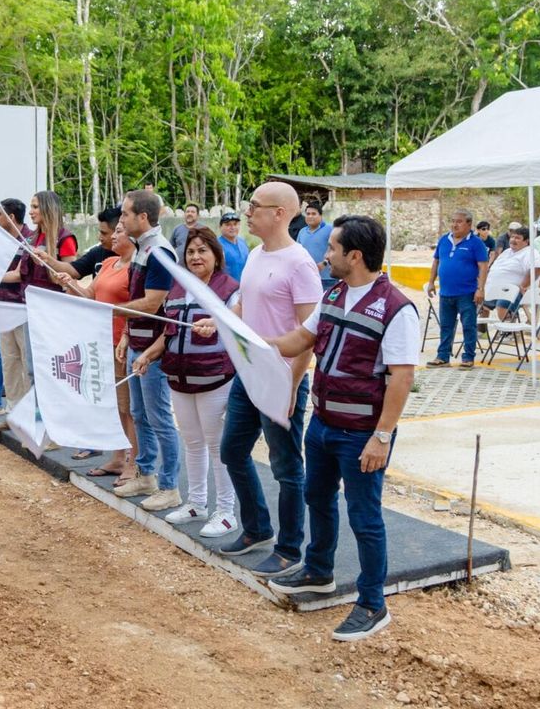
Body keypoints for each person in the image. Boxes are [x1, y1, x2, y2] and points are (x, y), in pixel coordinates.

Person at [265, 215, 419, 642]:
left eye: (331, 248)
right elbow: (299, 339)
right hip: (323, 425)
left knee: (365, 517)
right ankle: (318, 571)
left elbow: (402, 378)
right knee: (318, 498)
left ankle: (373, 603)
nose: (325, 254)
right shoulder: (333, 293)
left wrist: (382, 436)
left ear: (354, 255)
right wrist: (247, 336)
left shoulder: (395, 308)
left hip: (361, 434)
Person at [195, 181, 320, 578]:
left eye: (254, 206)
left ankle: (288, 548)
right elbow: (245, 304)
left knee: (286, 467)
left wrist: (292, 386)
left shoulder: (299, 263)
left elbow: (309, 334)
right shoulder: (254, 255)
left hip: (280, 380)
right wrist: (219, 321)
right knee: (232, 451)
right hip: (247, 377)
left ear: (279, 213)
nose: (246, 213)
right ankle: (257, 528)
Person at [131, 227, 239, 537]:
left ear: (215, 255)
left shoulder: (230, 288)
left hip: (214, 379)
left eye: (202, 251)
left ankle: (226, 511)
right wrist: (148, 355)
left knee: (217, 447)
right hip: (179, 379)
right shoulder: (178, 289)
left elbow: (238, 325)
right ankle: (196, 502)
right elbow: (169, 333)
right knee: (192, 443)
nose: (195, 257)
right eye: (191, 252)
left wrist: (216, 323)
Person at [112, 190, 183, 512]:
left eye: (125, 214)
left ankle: (169, 486)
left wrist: (109, 310)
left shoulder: (160, 252)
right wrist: (127, 334)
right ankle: (146, 474)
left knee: (159, 417)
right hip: (137, 343)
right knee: (140, 414)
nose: (121, 220)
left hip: (154, 350)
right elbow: (137, 297)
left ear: (143, 218)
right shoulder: (143, 248)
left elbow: (152, 303)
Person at [56, 221, 139, 485]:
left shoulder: (136, 268)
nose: (112, 236)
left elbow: (140, 306)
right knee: (114, 405)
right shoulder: (107, 264)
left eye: (118, 232)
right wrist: (70, 283)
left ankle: (133, 463)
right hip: (100, 342)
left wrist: (125, 337)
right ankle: (117, 457)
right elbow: (89, 296)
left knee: (129, 408)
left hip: (121, 344)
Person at [426, 209, 488, 369]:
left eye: (459, 221)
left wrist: (480, 289)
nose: (454, 224)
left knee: (468, 325)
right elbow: (436, 262)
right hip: (446, 292)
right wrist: (431, 281)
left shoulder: (476, 243)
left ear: (469, 224)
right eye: (453, 221)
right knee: (446, 326)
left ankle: (468, 357)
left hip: (467, 293)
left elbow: (483, 267)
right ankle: (443, 357)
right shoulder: (444, 240)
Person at [0, 199, 32, 415]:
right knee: (9, 362)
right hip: (4, 306)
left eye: (0, 214)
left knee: (27, 363)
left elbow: (19, 274)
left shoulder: (29, 241)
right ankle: (13, 412)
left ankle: (28, 414)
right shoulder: (1, 240)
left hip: (22, 308)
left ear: (12, 218)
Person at [17, 191, 78, 295]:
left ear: (48, 209)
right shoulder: (31, 237)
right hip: (29, 300)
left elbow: (72, 280)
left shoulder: (65, 238)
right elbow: (18, 274)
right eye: (31, 207)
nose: (30, 212)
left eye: (35, 207)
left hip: (52, 303)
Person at [39, 205, 119, 280]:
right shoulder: (97, 252)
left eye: (104, 233)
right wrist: (48, 259)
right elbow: (73, 270)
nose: (99, 237)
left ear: (119, 231)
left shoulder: (130, 260)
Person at [482, 224, 540, 320]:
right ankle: (481, 332)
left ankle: (510, 332)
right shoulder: (507, 252)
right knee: (475, 299)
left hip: (514, 291)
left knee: (503, 304)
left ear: (527, 241)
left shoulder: (529, 252)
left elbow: (537, 268)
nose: (513, 240)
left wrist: (524, 285)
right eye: (512, 237)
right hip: (493, 289)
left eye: (517, 238)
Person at [296, 201, 335, 291]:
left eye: (314, 214)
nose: (310, 216)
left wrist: (325, 263)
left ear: (320, 216)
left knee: (327, 304)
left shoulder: (330, 229)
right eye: (308, 214)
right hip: (308, 278)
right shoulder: (302, 232)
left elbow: (336, 249)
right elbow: (298, 252)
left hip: (328, 279)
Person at [218, 211, 249, 281]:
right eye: (228, 225)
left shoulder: (242, 242)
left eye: (235, 224)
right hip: (227, 288)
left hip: (244, 287)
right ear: (220, 227)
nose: (232, 227)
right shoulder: (217, 245)